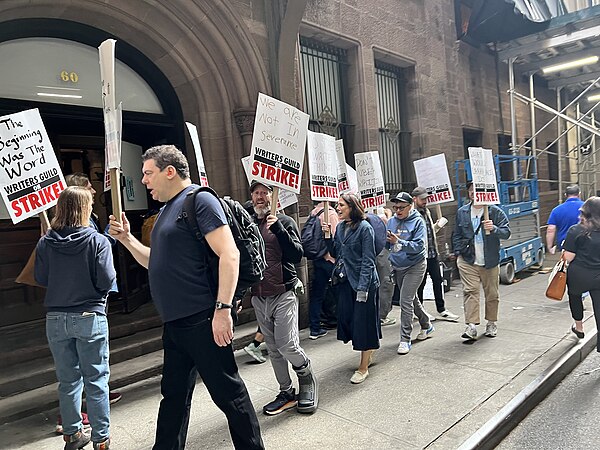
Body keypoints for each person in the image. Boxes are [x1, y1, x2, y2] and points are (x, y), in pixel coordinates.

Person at [109, 145, 263, 449]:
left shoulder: (200, 200)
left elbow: (228, 254)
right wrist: (126, 239)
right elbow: (155, 261)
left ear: (170, 171)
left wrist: (222, 310)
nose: (143, 180)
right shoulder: (166, 210)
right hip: (176, 324)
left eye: (147, 173)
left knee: (229, 394)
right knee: (174, 396)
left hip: (203, 319)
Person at [35, 186, 116, 450]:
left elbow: (40, 279)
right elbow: (106, 279)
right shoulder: (97, 241)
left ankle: (72, 435)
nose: (93, 207)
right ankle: (101, 438)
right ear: (84, 209)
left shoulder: (46, 241)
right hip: (89, 314)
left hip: (56, 318)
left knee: (68, 380)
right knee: (96, 379)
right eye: (90, 204)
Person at [249, 181, 318, 415]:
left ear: (273, 196)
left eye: (264, 193)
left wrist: (278, 228)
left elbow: (297, 256)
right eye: (256, 193)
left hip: (284, 293)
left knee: (287, 345)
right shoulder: (249, 225)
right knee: (273, 348)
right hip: (259, 296)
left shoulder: (284, 222)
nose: (260, 197)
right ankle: (286, 392)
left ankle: (307, 380)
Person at [323, 193, 380, 384]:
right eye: (337, 205)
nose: (337, 208)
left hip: (363, 283)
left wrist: (363, 289)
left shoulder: (365, 228)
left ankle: (363, 368)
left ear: (352, 207)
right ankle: (368, 352)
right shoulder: (340, 227)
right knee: (349, 321)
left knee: (363, 324)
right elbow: (337, 253)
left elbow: (368, 260)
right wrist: (327, 237)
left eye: (341, 205)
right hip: (346, 282)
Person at [452, 182, 511, 341]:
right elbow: (456, 234)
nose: (473, 193)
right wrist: (459, 253)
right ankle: (471, 325)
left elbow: (507, 233)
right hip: (468, 260)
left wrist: (494, 229)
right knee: (470, 291)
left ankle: (491, 322)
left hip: (489, 261)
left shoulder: (495, 212)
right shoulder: (462, 212)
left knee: (491, 293)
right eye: (471, 190)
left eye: (476, 190)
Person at [387, 192, 434, 355]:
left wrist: (398, 242)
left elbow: (419, 246)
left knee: (405, 300)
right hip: (398, 266)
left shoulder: (418, 222)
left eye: (401, 207)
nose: (398, 210)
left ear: (410, 206)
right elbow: (388, 243)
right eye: (395, 207)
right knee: (411, 299)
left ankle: (405, 339)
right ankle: (426, 324)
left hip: (415, 265)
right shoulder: (391, 221)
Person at [412, 187, 459, 321]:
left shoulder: (426, 211)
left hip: (432, 252)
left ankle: (441, 308)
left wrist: (437, 226)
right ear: (415, 199)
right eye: (422, 199)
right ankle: (419, 311)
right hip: (421, 255)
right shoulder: (413, 214)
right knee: (420, 284)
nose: (425, 201)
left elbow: (428, 232)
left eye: (426, 198)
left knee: (437, 280)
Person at [562, 197, 600, 349]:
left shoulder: (576, 230)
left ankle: (579, 327)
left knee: (575, 296)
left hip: (579, 274)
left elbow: (568, 257)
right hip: (598, 276)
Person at [307, 200, 339, 339]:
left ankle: (315, 328)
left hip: (318, 258)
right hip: (330, 260)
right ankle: (342, 323)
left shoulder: (313, 213)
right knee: (339, 292)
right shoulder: (330, 214)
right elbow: (336, 238)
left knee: (317, 295)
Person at [546, 184, 584, 254]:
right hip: (585, 244)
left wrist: (550, 247)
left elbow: (550, 230)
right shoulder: (587, 207)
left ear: (565, 195)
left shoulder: (556, 210)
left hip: (564, 245)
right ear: (579, 194)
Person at [376, 209, 396, 326]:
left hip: (379, 252)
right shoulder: (381, 217)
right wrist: (388, 215)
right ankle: (382, 315)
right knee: (386, 283)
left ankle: (381, 314)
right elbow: (388, 227)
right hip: (383, 252)